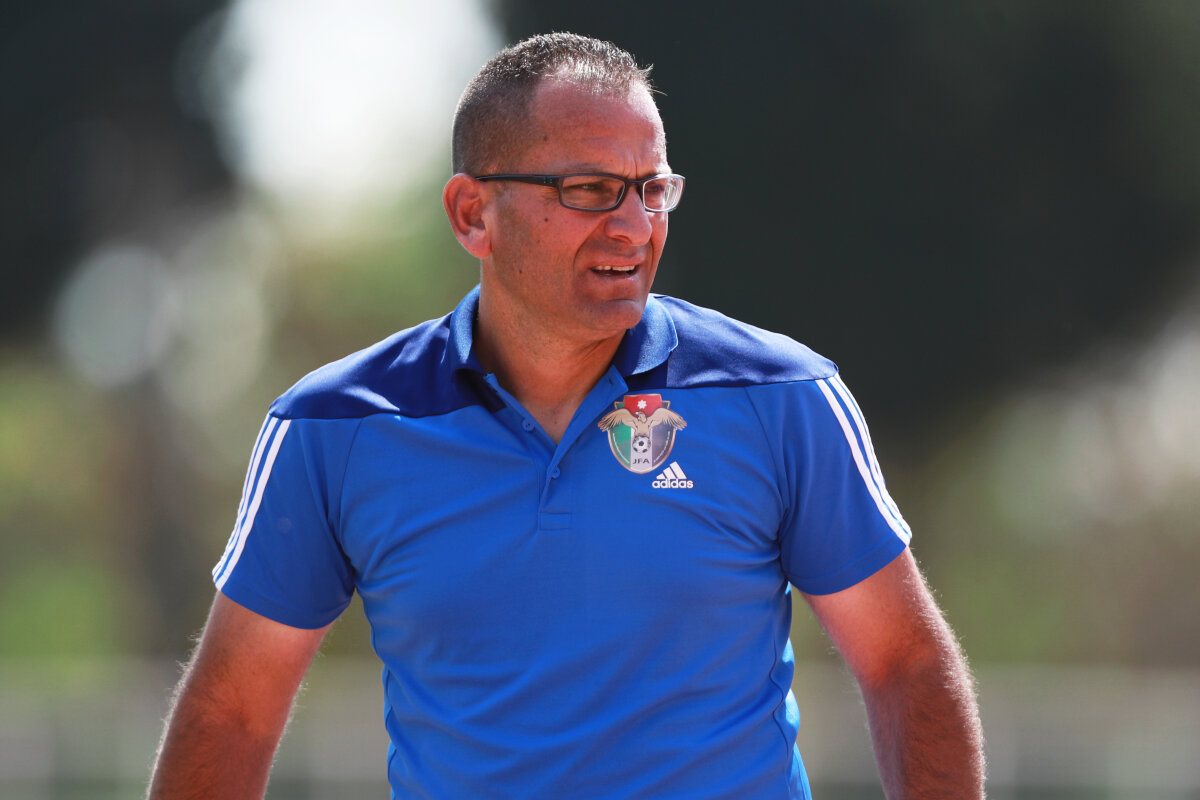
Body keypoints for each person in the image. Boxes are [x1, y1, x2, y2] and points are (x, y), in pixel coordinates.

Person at [147, 32, 985, 800]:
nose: (635, 227)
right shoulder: (334, 429)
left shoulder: (780, 397)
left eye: (652, 189)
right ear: (472, 214)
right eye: (590, 190)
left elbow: (905, 664)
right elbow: (233, 712)